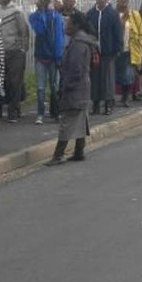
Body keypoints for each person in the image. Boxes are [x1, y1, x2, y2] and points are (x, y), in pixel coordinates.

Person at [45, 12, 97, 166]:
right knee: (80, 118)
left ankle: (58, 155)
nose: (65, 26)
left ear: (76, 25)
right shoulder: (79, 41)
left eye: (68, 23)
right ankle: (79, 151)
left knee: (67, 121)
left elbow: (75, 70)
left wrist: (66, 86)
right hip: (82, 87)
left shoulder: (78, 45)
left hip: (75, 88)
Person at [29, 0, 63, 123]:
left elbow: (59, 38)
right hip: (40, 57)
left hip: (53, 57)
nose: (42, 2)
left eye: (45, 0)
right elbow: (40, 30)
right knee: (40, 87)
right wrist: (41, 12)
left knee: (54, 86)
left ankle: (56, 112)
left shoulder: (56, 16)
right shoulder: (34, 16)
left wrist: (59, 56)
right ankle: (40, 113)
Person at [0, 0, 29, 123]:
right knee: (3, 81)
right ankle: (8, 107)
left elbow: (24, 31)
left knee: (15, 81)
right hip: (0, 50)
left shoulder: (17, 11)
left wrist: (22, 49)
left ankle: (13, 111)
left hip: (15, 51)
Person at [87, 0, 122, 115]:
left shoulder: (112, 14)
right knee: (95, 78)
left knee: (108, 78)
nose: (101, 1)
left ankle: (108, 103)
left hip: (109, 51)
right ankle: (95, 103)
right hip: (95, 52)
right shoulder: (91, 14)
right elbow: (87, 31)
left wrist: (118, 48)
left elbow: (118, 33)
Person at [114, 0, 142, 106]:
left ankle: (125, 98)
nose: (123, 1)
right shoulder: (113, 14)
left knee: (128, 75)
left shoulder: (134, 14)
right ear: (117, 1)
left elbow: (141, 31)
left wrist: (140, 45)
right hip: (116, 50)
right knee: (116, 74)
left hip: (129, 50)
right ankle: (114, 98)